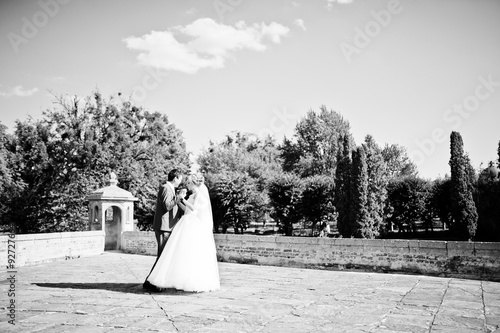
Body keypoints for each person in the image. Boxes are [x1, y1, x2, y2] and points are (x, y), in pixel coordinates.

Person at [145, 173, 220, 292]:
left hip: (191, 224)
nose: (187, 184)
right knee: (177, 253)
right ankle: (158, 281)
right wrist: (180, 201)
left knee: (187, 254)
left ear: (195, 183)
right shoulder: (193, 194)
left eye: (189, 182)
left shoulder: (199, 195)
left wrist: (182, 199)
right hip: (185, 222)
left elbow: (194, 209)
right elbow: (186, 210)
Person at [143, 169, 183, 291]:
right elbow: (167, 206)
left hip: (167, 226)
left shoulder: (170, 189)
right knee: (162, 256)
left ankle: (152, 281)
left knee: (163, 256)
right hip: (163, 227)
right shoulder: (166, 188)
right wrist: (179, 198)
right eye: (180, 178)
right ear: (175, 178)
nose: (180, 181)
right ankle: (150, 282)